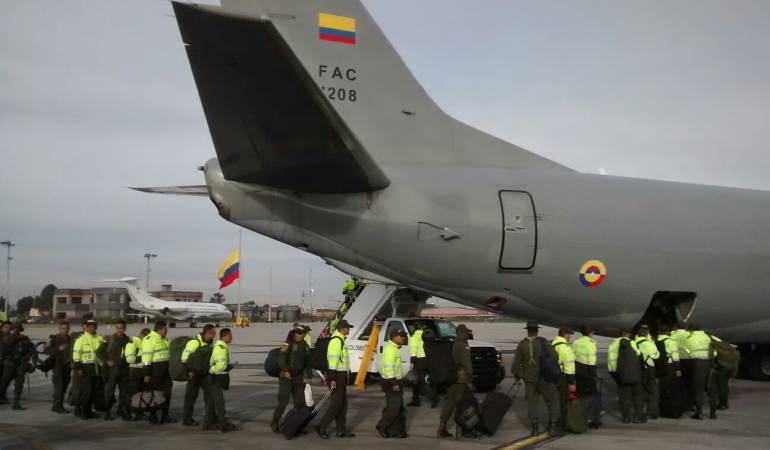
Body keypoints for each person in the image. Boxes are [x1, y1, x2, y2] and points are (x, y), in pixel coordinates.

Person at [512, 321, 559, 436]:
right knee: (552, 401)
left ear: (527, 330)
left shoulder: (522, 344)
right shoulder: (544, 342)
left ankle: (535, 428)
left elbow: (515, 365)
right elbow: (555, 356)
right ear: (537, 330)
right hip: (545, 378)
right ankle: (552, 425)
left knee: (532, 403)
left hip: (530, 380)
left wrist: (518, 377)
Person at [316, 319, 355, 439]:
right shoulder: (336, 341)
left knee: (343, 404)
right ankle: (321, 426)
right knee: (336, 404)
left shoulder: (341, 340)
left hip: (341, 376)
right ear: (342, 328)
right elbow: (333, 361)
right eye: (347, 327)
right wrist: (332, 379)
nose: (349, 329)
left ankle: (341, 430)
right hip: (336, 376)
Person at [437, 323, 474, 438]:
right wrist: (470, 379)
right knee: (463, 405)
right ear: (461, 333)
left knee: (449, 404)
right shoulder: (462, 345)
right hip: (461, 379)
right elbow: (466, 363)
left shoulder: (453, 343)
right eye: (467, 332)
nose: (469, 334)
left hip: (451, 378)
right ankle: (464, 430)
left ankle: (441, 428)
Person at [271, 327, 311, 433]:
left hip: (298, 378)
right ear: (294, 334)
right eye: (298, 334)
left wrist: (308, 375)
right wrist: (285, 370)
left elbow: (307, 362)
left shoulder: (305, 346)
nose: (301, 336)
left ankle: (296, 425)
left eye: (302, 334)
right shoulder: (286, 344)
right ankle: (275, 421)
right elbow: (281, 358)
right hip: (286, 377)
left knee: (300, 403)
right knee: (283, 401)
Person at [181, 324, 216, 426]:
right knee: (190, 398)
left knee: (210, 396)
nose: (215, 334)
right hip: (194, 375)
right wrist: (189, 371)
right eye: (213, 332)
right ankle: (187, 419)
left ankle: (211, 418)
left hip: (205, 374)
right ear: (208, 332)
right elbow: (184, 358)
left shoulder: (210, 343)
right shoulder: (194, 342)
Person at [376, 327, 408, 439]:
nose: (404, 338)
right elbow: (388, 368)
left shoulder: (394, 348)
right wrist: (394, 383)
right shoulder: (390, 349)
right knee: (394, 407)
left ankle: (397, 431)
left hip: (395, 380)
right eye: (401, 336)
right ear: (395, 337)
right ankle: (382, 426)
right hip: (391, 382)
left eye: (404, 336)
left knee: (397, 407)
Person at [202, 328, 236, 432]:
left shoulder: (220, 347)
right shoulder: (220, 348)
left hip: (214, 378)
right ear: (225, 337)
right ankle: (223, 424)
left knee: (212, 402)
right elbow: (221, 367)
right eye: (230, 336)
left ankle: (207, 424)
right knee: (219, 402)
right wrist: (230, 366)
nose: (232, 338)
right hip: (216, 379)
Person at [142, 320, 175, 424]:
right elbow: (146, 358)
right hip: (154, 372)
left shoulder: (164, 340)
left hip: (165, 371)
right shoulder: (149, 339)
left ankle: (165, 415)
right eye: (165, 329)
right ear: (160, 329)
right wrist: (147, 374)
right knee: (155, 394)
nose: (166, 331)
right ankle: (153, 415)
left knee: (167, 393)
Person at [608, 328, 643, 424]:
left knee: (623, 397)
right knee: (637, 396)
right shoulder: (632, 343)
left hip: (621, 374)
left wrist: (614, 373)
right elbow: (639, 354)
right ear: (628, 334)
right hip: (634, 374)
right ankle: (637, 417)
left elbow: (611, 360)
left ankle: (626, 418)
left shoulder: (613, 345)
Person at [99, 319, 131, 421]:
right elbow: (99, 352)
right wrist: (107, 361)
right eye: (117, 328)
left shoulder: (128, 340)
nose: (119, 330)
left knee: (124, 393)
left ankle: (121, 410)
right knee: (109, 393)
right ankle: (107, 412)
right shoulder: (109, 339)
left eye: (121, 328)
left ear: (125, 328)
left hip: (124, 370)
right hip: (112, 371)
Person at [0, 324, 34, 410]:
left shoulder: (25, 338)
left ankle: (16, 402)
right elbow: (7, 345)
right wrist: (18, 338)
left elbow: (31, 349)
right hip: (9, 364)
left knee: (19, 384)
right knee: (4, 382)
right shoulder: (7, 338)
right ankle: (1, 398)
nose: (16, 331)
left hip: (20, 365)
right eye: (14, 329)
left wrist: (27, 358)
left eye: (18, 329)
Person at [72, 319, 101, 419]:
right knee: (86, 392)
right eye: (90, 326)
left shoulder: (98, 338)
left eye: (94, 326)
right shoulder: (81, 339)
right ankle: (84, 413)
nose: (92, 328)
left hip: (95, 368)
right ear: (86, 327)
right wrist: (78, 368)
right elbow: (76, 355)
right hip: (84, 368)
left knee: (93, 392)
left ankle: (88, 411)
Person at [573, 326, 600, 428]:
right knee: (594, 398)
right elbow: (591, 361)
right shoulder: (591, 343)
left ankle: (579, 419)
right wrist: (595, 375)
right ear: (591, 333)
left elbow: (574, 357)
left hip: (578, 372)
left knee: (579, 396)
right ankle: (594, 421)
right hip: (588, 373)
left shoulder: (576, 342)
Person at [685, 324, 712, 420]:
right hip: (706, 362)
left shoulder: (689, 337)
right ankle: (711, 412)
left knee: (694, 386)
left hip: (694, 362)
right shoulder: (707, 337)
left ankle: (698, 411)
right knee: (702, 386)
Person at [552, 327, 576, 432]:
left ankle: (552, 422)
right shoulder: (566, 349)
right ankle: (560, 425)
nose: (570, 336)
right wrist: (572, 382)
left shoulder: (550, 344)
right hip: (562, 378)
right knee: (563, 402)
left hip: (550, 377)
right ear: (565, 334)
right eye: (569, 334)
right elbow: (569, 367)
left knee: (553, 401)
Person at [634, 324, 660, 421]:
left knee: (640, 392)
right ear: (647, 332)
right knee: (653, 391)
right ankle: (652, 412)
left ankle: (640, 413)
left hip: (639, 369)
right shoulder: (649, 343)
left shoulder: (635, 342)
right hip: (649, 369)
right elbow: (656, 355)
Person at [46, 321, 73, 413]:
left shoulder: (70, 339)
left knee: (64, 387)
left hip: (67, 367)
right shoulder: (53, 338)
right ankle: (58, 406)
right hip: (57, 367)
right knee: (59, 388)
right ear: (59, 329)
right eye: (63, 328)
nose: (65, 330)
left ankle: (55, 405)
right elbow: (46, 350)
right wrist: (58, 349)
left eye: (67, 329)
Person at [124, 327, 150, 421]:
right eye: (147, 337)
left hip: (142, 371)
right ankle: (127, 412)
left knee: (141, 394)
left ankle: (139, 413)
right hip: (134, 371)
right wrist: (143, 358)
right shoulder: (132, 343)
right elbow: (129, 359)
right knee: (132, 394)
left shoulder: (144, 343)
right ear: (143, 335)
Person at [670, 322, 692, 408]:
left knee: (677, 382)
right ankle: (688, 404)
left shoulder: (672, 336)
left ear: (676, 327)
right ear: (686, 327)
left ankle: (678, 402)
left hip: (676, 362)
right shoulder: (690, 335)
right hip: (688, 360)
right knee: (688, 383)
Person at [408, 322, 428, 407]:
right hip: (426, 360)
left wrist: (412, 363)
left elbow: (413, 351)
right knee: (422, 380)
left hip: (418, 361)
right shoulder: (425, 336)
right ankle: (431, 395)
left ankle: (416, 400)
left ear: (415, 329)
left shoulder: (413, 338)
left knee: (416, 381)